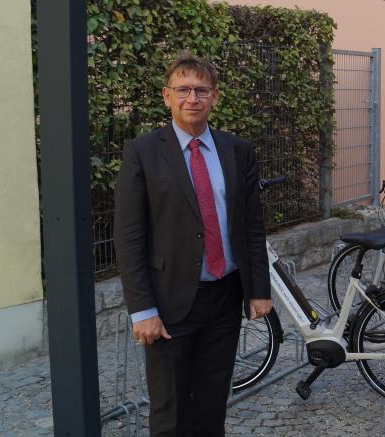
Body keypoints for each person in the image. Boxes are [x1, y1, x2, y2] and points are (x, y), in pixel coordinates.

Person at [114, 52, 271, 436]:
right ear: (166, 95)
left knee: (212, 404)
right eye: (183, 89)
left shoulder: (238, 150)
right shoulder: (143, 152)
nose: (192, 98)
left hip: (225, 296)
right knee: (170, 412)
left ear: (215, 97)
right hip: (169, 302)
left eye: (201, 90)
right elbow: (129, 236)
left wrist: (259, 289)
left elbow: (252, 225)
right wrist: (142, 310)